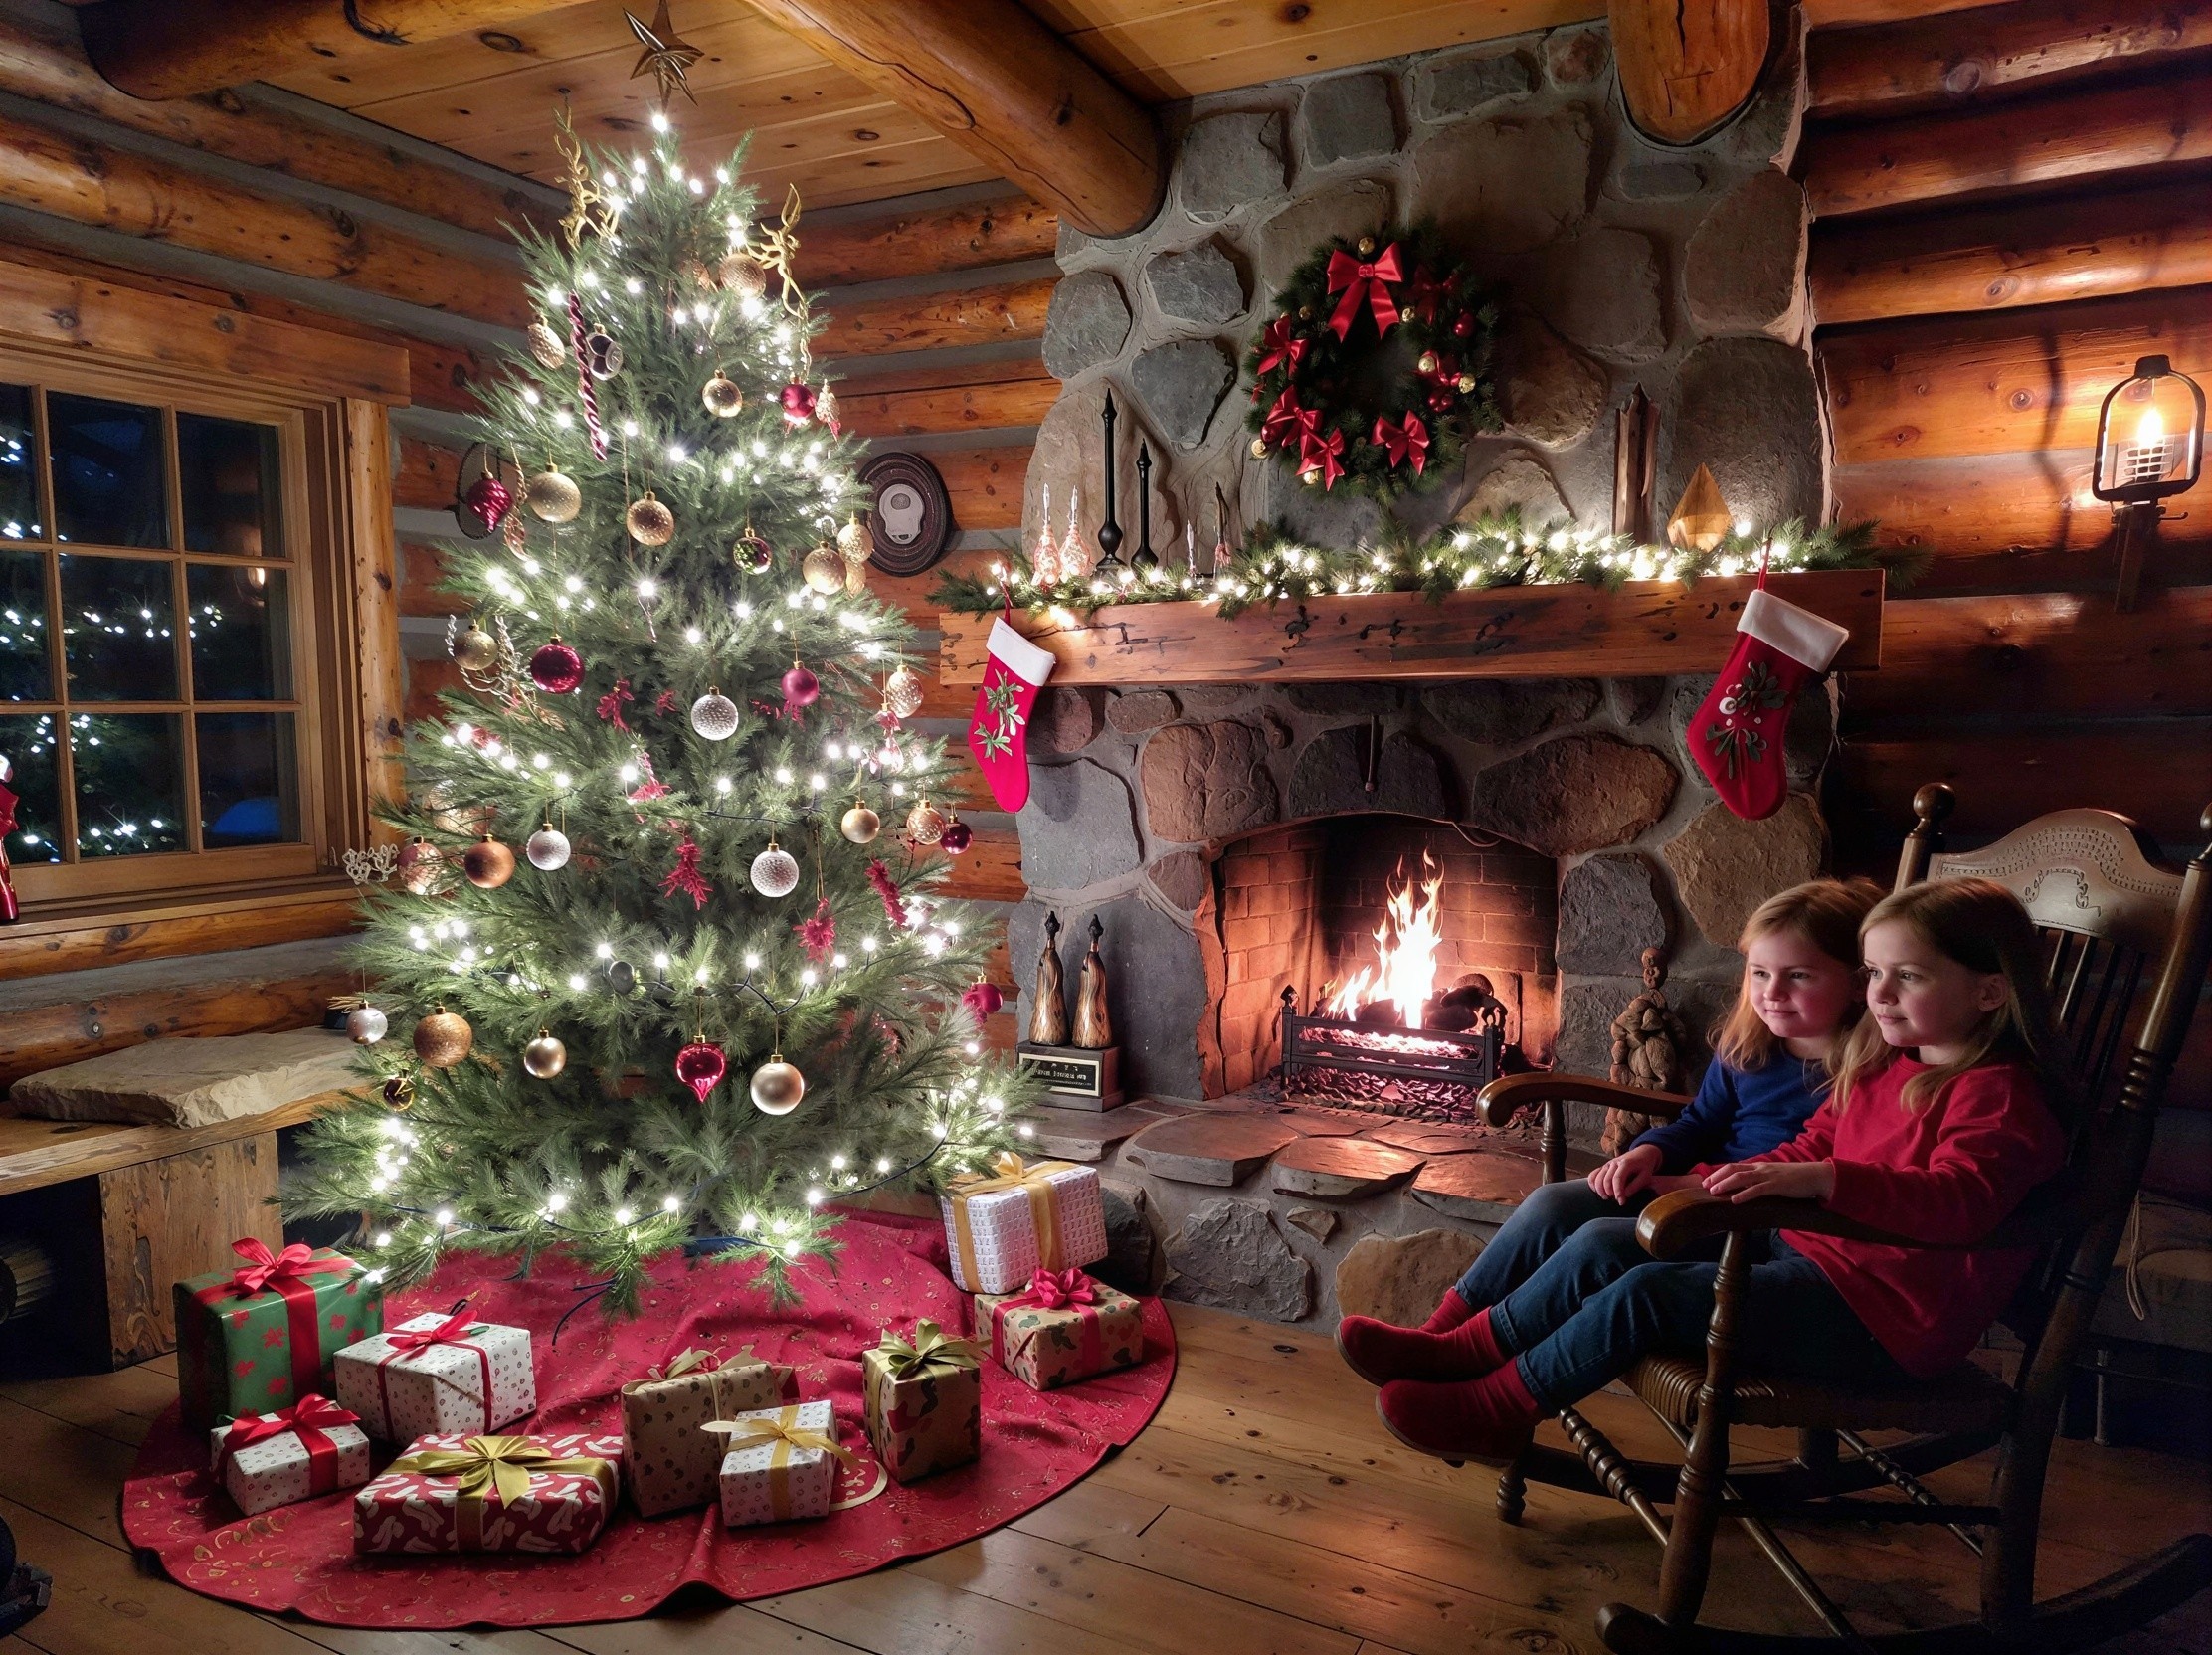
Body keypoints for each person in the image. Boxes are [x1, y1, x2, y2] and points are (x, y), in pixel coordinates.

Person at [1371, 877, 2070, 1462]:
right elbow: (1802, 1152)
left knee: (1647, 1291)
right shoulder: (1889, 1067)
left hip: (1883, 1320)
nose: (1879, 994)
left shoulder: (2001, 1098)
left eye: (1907, 976)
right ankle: (1462, 1349)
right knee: (1602, 1239)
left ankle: (1495, 1409)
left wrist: (1824, 1180)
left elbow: (1963, 1200)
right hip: (1801, 1251)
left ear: (1989, 993)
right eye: (1875, 973)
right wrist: (1707, 1188)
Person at [1338, 878, 1881, 1386]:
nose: (1772, 992)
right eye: (1759, 973)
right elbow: (1700, 1122)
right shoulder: (1748, 1047)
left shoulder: (1867, 1078)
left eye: (1800, 975)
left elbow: (1804, 1171)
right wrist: (1649, 1151)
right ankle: (1440, 1333)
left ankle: (1472, 1357)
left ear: (1858, 983)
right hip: (1693, 1188)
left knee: (1598, 1242)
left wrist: (1686, 1185)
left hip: (1756, 1220)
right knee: (1552, 1204)